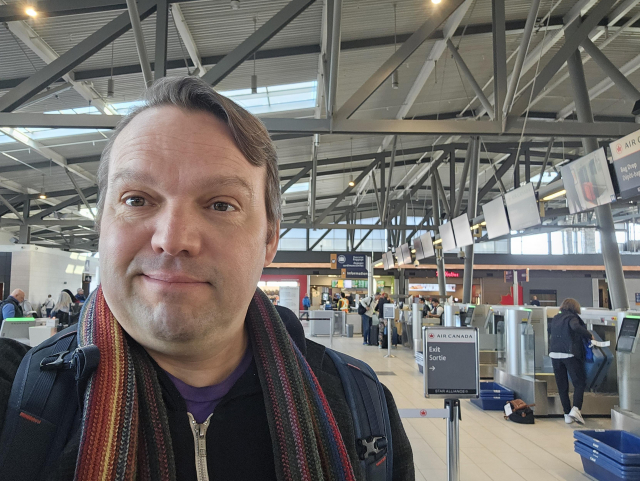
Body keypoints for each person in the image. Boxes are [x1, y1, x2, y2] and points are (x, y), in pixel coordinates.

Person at [0, 77, 413, 480]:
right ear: (102, 226)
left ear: (269, 238)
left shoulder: (360, 408)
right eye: (137, 199)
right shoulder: (19, 397)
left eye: (220, 204)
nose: (173, 239)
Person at [548, 298, 594, 425]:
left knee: (562, 386)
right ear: (575, 308)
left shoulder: (556, 317)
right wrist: (589, 335)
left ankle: (567, 414)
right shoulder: (571, 317)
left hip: (554, 354)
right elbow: (575, 327)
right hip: (569, 353)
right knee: (579, 382)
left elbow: (549, 330)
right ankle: (576, 409)